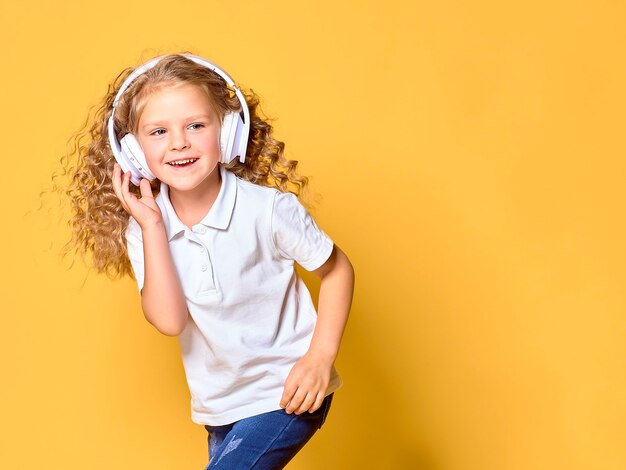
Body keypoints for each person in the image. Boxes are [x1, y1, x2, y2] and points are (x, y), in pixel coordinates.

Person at [60, 52, 354, 469]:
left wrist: (320, 357)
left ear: (228, 131)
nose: (179, 142)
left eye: (196, 125)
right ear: (134, 154)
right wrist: (151, 226)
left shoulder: (266, 210)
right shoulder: (144, 228)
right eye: (158, 131)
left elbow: (337, 268)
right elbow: (169, 321)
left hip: (286, 393)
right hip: (219, 406)